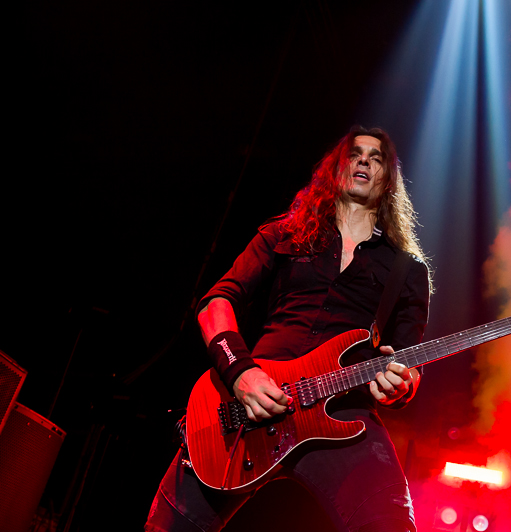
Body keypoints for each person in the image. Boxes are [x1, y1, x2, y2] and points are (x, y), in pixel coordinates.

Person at [145, 126, 431, 532]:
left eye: (377, 157)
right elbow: (215, 304)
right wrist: (240, 373)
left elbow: (407, 361)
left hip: (343, 408)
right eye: (354, 154)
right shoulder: (284, 233)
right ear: (335, 170)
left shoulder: (408, 270)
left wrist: (402, 384)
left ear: (388, 180)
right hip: (253, 398)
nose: (364, 161)